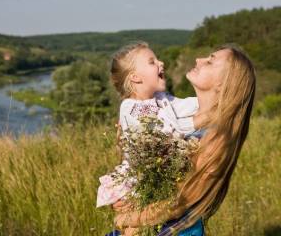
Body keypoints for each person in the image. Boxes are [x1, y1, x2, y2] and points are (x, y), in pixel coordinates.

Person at [113, 45, 256, 236]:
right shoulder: (172, 110)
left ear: (223, 83)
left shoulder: (217, 137)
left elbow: (179, 203)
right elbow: (140, 162)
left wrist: (127, 220)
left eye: (210, 61)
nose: (199, 60)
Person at [98, 41, 203, 234]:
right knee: (138, 227)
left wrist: (213, 100)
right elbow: (167, 131)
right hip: (141, 183)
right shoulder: (130, 108)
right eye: (152, 61)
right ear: (135, 77)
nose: (161, 63)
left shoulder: (162, 98)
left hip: (162, 179)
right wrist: (200, 120)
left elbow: (186, 105)